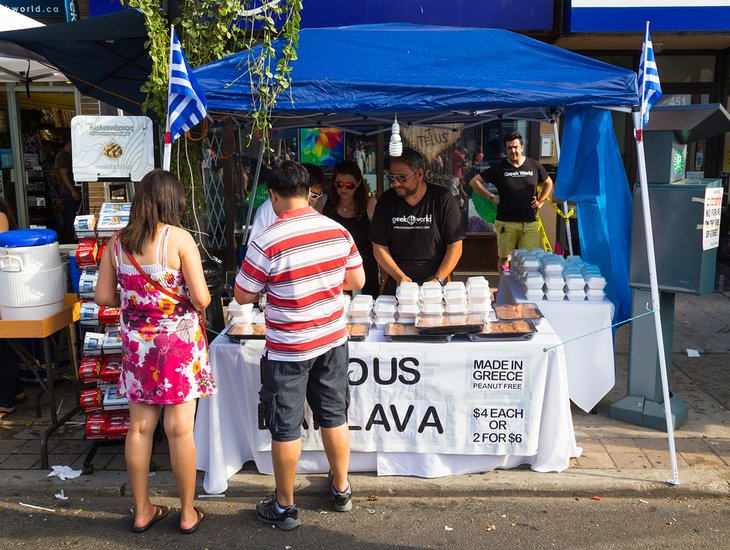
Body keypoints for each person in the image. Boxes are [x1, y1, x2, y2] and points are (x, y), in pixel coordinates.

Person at [234, 161, 365, 531]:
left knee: (285, 426)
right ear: (309, 191)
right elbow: (356, 278)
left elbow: (243, 294)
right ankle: (341, 489)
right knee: (334, 415)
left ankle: (285, 506)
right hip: (331, 338)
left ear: (273, 195)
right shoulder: (336, 230)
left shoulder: (267, 239)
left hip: (288, 347)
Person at [95, 169, 215, 534]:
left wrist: (131, 298)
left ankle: (143, 509)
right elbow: (202, 298)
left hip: (137, 345)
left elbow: (102, 298)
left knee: (140, 428)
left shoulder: (116, 243)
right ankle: (188, 513)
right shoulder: (179, 239)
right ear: (172, 201)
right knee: (180, 429)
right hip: (177, 344)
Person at [370, 147, 465, 295]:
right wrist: (399, 277)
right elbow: (379, 247)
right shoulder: (386, 201)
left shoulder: (443, 199)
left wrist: (437, 280)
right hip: (397, 279)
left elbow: (455, 247)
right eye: (392, 178)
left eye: (402, 178)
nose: (396, 183)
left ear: (419, 174)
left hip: (437, 277)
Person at [469, 131, 554, 269]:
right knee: (504, 259)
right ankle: (504, 289)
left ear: (522, 147)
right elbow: (474, 182)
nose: (513, 151)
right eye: (509, 148)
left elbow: (549, 183)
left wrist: (541, 201)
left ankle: (526, 289)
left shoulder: (534, 165)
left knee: (530, 261)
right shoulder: (499, 168)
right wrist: (491, 197)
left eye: (515, 147)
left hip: (530, 223)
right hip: (505, 223)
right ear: (506, 149)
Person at [323, 160, 379, 297]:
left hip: (366, 272)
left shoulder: (370, 205)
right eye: (339, 184)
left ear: (358, 183)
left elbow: (379, 243)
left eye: (349, 185)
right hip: (334, 273)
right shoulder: (323, 203)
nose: (343, 189)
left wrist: (383, 278)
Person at [248, 163, 325, 243]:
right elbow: (254, 244)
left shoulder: (322, 222)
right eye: (311, 195)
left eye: (316, 196)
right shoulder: (269, 208)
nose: (311, 200)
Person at [0, 197, 24, 420]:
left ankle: (4, 401)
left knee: (3, 342)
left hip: (4, 283)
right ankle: (14, 391)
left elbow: (2, 245)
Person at [55, 131, 81, 244]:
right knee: (70, 217)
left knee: (72, 216)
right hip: (69, 192)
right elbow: (63, 174)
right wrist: (72, 191)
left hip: (70, 191)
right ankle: (69, 241)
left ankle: (70, 238)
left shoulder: (67, 155)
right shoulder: (63, 156)